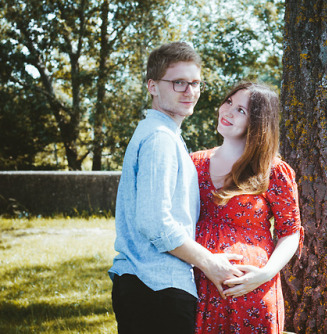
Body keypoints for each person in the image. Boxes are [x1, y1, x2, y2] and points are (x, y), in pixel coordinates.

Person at [108, 42, 242, 334]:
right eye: (179, 82)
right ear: (153, 86)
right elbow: (155, 223)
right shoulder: (160, 139)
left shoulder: (164, 134)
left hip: (150, 287)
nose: (189, 91)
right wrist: (210, 263)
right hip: (155, 288)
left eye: (195, 83)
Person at [191, 82, 304, 333]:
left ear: (258, 123)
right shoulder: (193, 163)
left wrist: (266, 274)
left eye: (241, 110)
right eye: (229, 102)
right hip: (197, 283)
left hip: (252, 289)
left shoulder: (273, 170)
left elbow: (290, 232)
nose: (228, 111)